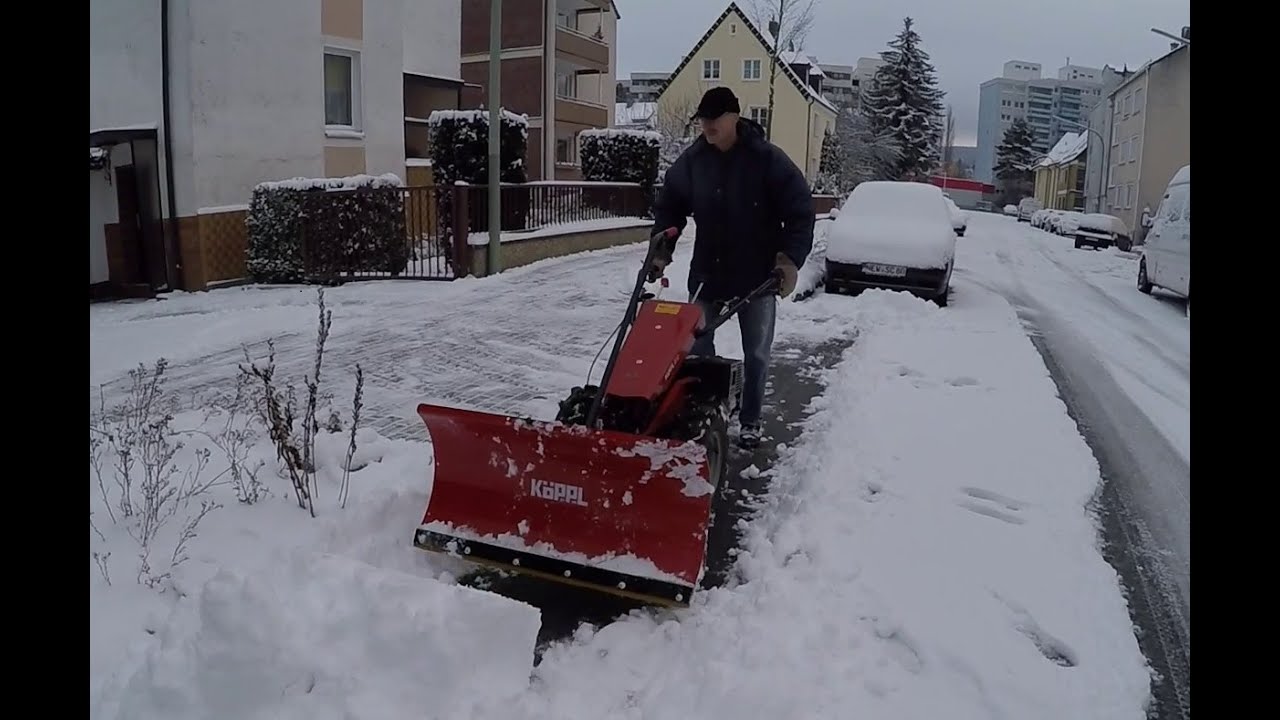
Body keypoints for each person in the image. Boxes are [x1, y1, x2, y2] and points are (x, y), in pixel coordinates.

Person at [647, 86, 815, 449]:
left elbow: (800, 210)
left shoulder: (766, 159)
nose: (707, 126)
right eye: (703, 119)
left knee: (756, 352)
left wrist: (788, 260)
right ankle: (706, 411)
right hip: (708, 272)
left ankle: (750, 420)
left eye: (715, 119)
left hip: (757, 275)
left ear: (734, 117)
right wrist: (661, 249)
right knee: (695, 346)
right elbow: (670, 205)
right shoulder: (694, 161)